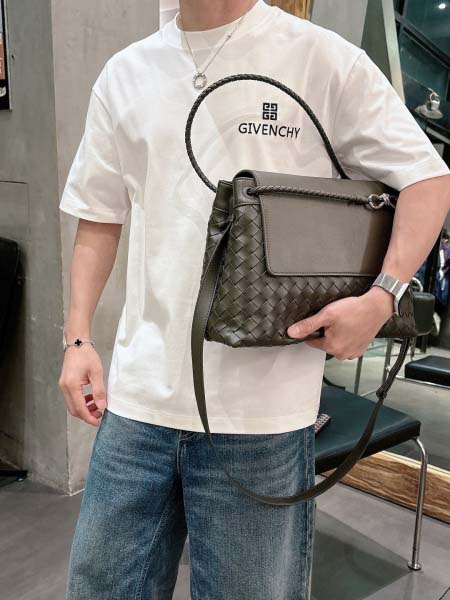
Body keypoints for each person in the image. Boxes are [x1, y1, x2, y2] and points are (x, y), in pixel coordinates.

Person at [58, 1, 450, 598]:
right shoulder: (126, 72)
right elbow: (99, 216)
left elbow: (427, 178)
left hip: (263, 417)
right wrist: (78, 337)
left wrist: (382, 298)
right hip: (137, 404)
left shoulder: (321, 59)